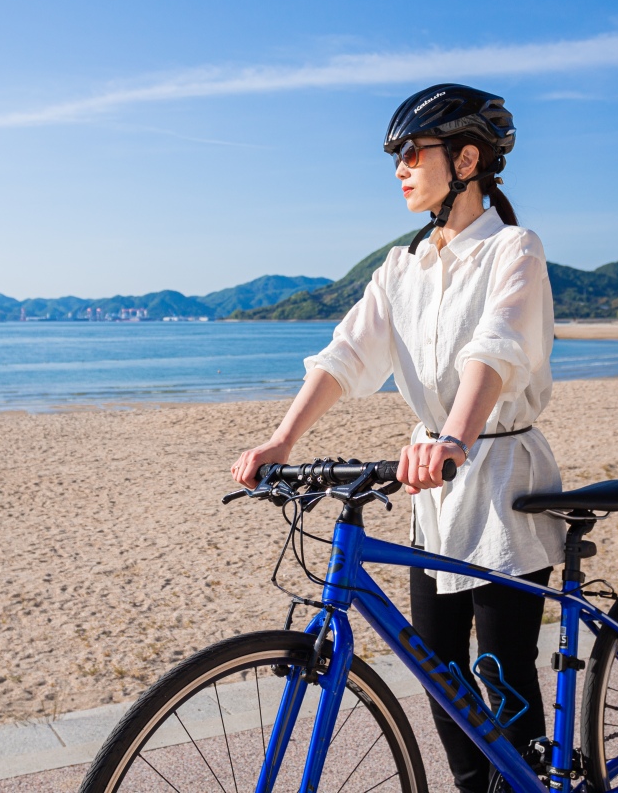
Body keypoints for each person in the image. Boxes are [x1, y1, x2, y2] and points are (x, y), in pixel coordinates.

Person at [232, 83, 563, 793]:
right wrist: (281, 442)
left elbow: (495, 352)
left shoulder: (513, 249)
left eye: (414, 152)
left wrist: (451, 438)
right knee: (439, 670)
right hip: (434, 489)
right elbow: (346, 356)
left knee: (501, 673)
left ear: (466, 159)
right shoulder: (401, 268)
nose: (400, 168)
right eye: (397, 157)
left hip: (501, 480)